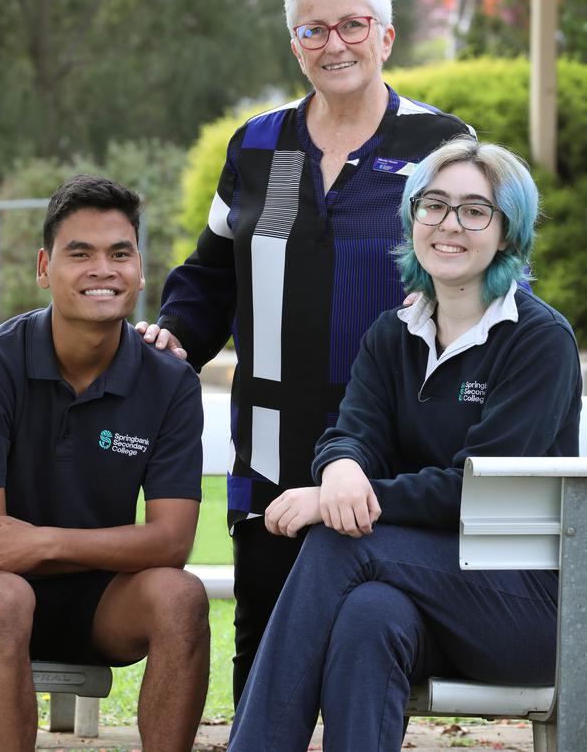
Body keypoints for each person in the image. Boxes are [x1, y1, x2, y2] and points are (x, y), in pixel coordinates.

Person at [139, 0, 475, 701]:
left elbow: (485, 277)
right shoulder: (258, 145)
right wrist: (173, 336)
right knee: (264, 653)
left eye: (353, 25)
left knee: (368, 641)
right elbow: (213, 272)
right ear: (294, 45)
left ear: (385, 37)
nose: (335, 44)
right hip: (272, 444)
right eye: (314, 30)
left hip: (393, 446)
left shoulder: (440, 145)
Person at [227, 137, 582, 751]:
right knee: (369, 617)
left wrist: (331, 503)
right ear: (412, 215)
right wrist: (339, 467)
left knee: (339, 544)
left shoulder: (538, 341)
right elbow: (353, 430)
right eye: (434, 204)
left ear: (508, 232)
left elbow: (473, 489)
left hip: (524, 611)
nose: (449, 224)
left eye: (476, 210)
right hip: (423, 597)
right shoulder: (393, 334)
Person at [0, 176, 210, 752]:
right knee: (3, 598)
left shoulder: (169, 381)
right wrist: (39, 551)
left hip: (98, 595)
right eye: (79, 253)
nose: (102, 269)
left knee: (180, 596)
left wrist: (45, 544)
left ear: (139, 269)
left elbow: (171, 542)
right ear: (44, 267)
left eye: (119, 253)